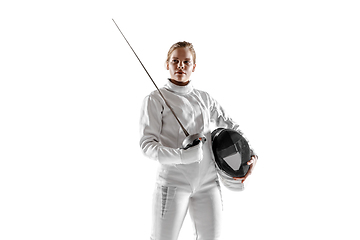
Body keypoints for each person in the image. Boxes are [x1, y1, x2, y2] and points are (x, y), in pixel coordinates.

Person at [139, 41, 257, 240]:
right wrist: (182, 156)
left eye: (186, 62)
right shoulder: (155, 99)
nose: (180, 66)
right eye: (175, 61)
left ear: (194, 66)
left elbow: (230, 125)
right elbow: (147, 145)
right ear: (167, 64)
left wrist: (250, 152)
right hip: (173, 181)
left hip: (208, 181)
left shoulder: (205, 98)